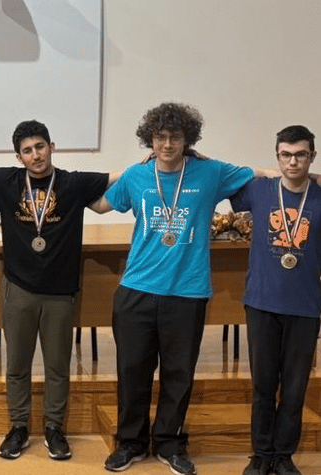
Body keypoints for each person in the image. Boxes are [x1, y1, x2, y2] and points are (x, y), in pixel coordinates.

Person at [0, 120, 115, 461]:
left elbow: (116, 178)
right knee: (17, 365)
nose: (35, 155)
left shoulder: (73, 183)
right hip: (18, 289)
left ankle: (54, 428)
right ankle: (18, 427)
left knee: (57, 366)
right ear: (19, 157)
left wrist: (152, 163)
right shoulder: (8, 180)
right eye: (27, 151)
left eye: (40, 147)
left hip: (60, 292)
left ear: (52, 147)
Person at [95, 103, 255, 475]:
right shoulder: (136, 176)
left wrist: (309, 177)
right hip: (136, 289)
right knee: (132, 371)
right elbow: (100, 205)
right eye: (160, 137)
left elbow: (258, 175)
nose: (167, 144)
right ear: (150, 140)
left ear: (188, 140)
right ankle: (131, 443)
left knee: (178, 374)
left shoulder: (210, 172)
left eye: (176, 137)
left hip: (187, 292)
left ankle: (169, 443)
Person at [230, 125, 320, 475]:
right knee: (263, 385)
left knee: (295, 389)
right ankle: (261, 453)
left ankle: (283, 455)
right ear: (277, 156)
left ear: (312, 156)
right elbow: (223, 176)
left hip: (305, 306)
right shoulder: (259, 189)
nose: (293, 162)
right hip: (262, 303)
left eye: (300, 155)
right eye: (286, 154)